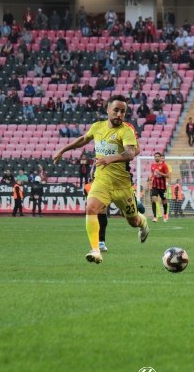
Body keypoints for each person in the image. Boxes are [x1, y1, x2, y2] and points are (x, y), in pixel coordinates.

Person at [53, 95, 149, 264]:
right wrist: (62, 150)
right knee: (91, 207)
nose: (119, 114)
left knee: (133, 221)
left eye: (123, 111)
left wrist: (109, 159)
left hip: (122, 185)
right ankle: (96, 250)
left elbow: (131, 153)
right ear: (107, 110)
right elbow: (83, 140)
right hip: (102, 181)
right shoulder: (97, 127)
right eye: (116, 110)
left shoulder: (125, 130)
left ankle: (143, 223)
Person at [149, 151, 170, 222]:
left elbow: (168, 176)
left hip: (162, 186)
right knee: (153, 199)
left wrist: (160, 173)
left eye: (158, 156)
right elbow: (152, 174)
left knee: (164, 201)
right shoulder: (152, 165)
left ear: (160, 158)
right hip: (155, 185)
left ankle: (165, 214)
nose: (157, 157)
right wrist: (150, 177)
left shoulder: (164, 165)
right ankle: (155, 217)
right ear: (154, 157)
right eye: (156, 156)